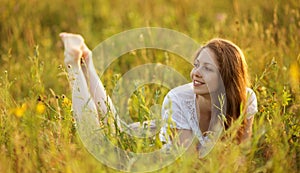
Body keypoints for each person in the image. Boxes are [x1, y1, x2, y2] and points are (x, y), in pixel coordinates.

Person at [59, 32, 257, 154]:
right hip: (152, 141)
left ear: (226, 77)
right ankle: (74, 65)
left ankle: (87, 60)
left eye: (207, 68)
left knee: (115, 126)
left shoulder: (246, 99)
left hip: (166, 128)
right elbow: (192, 164)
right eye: (196, 65)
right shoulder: (178, 98)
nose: (195, 73)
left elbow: (242, 152)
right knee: (100, 137)